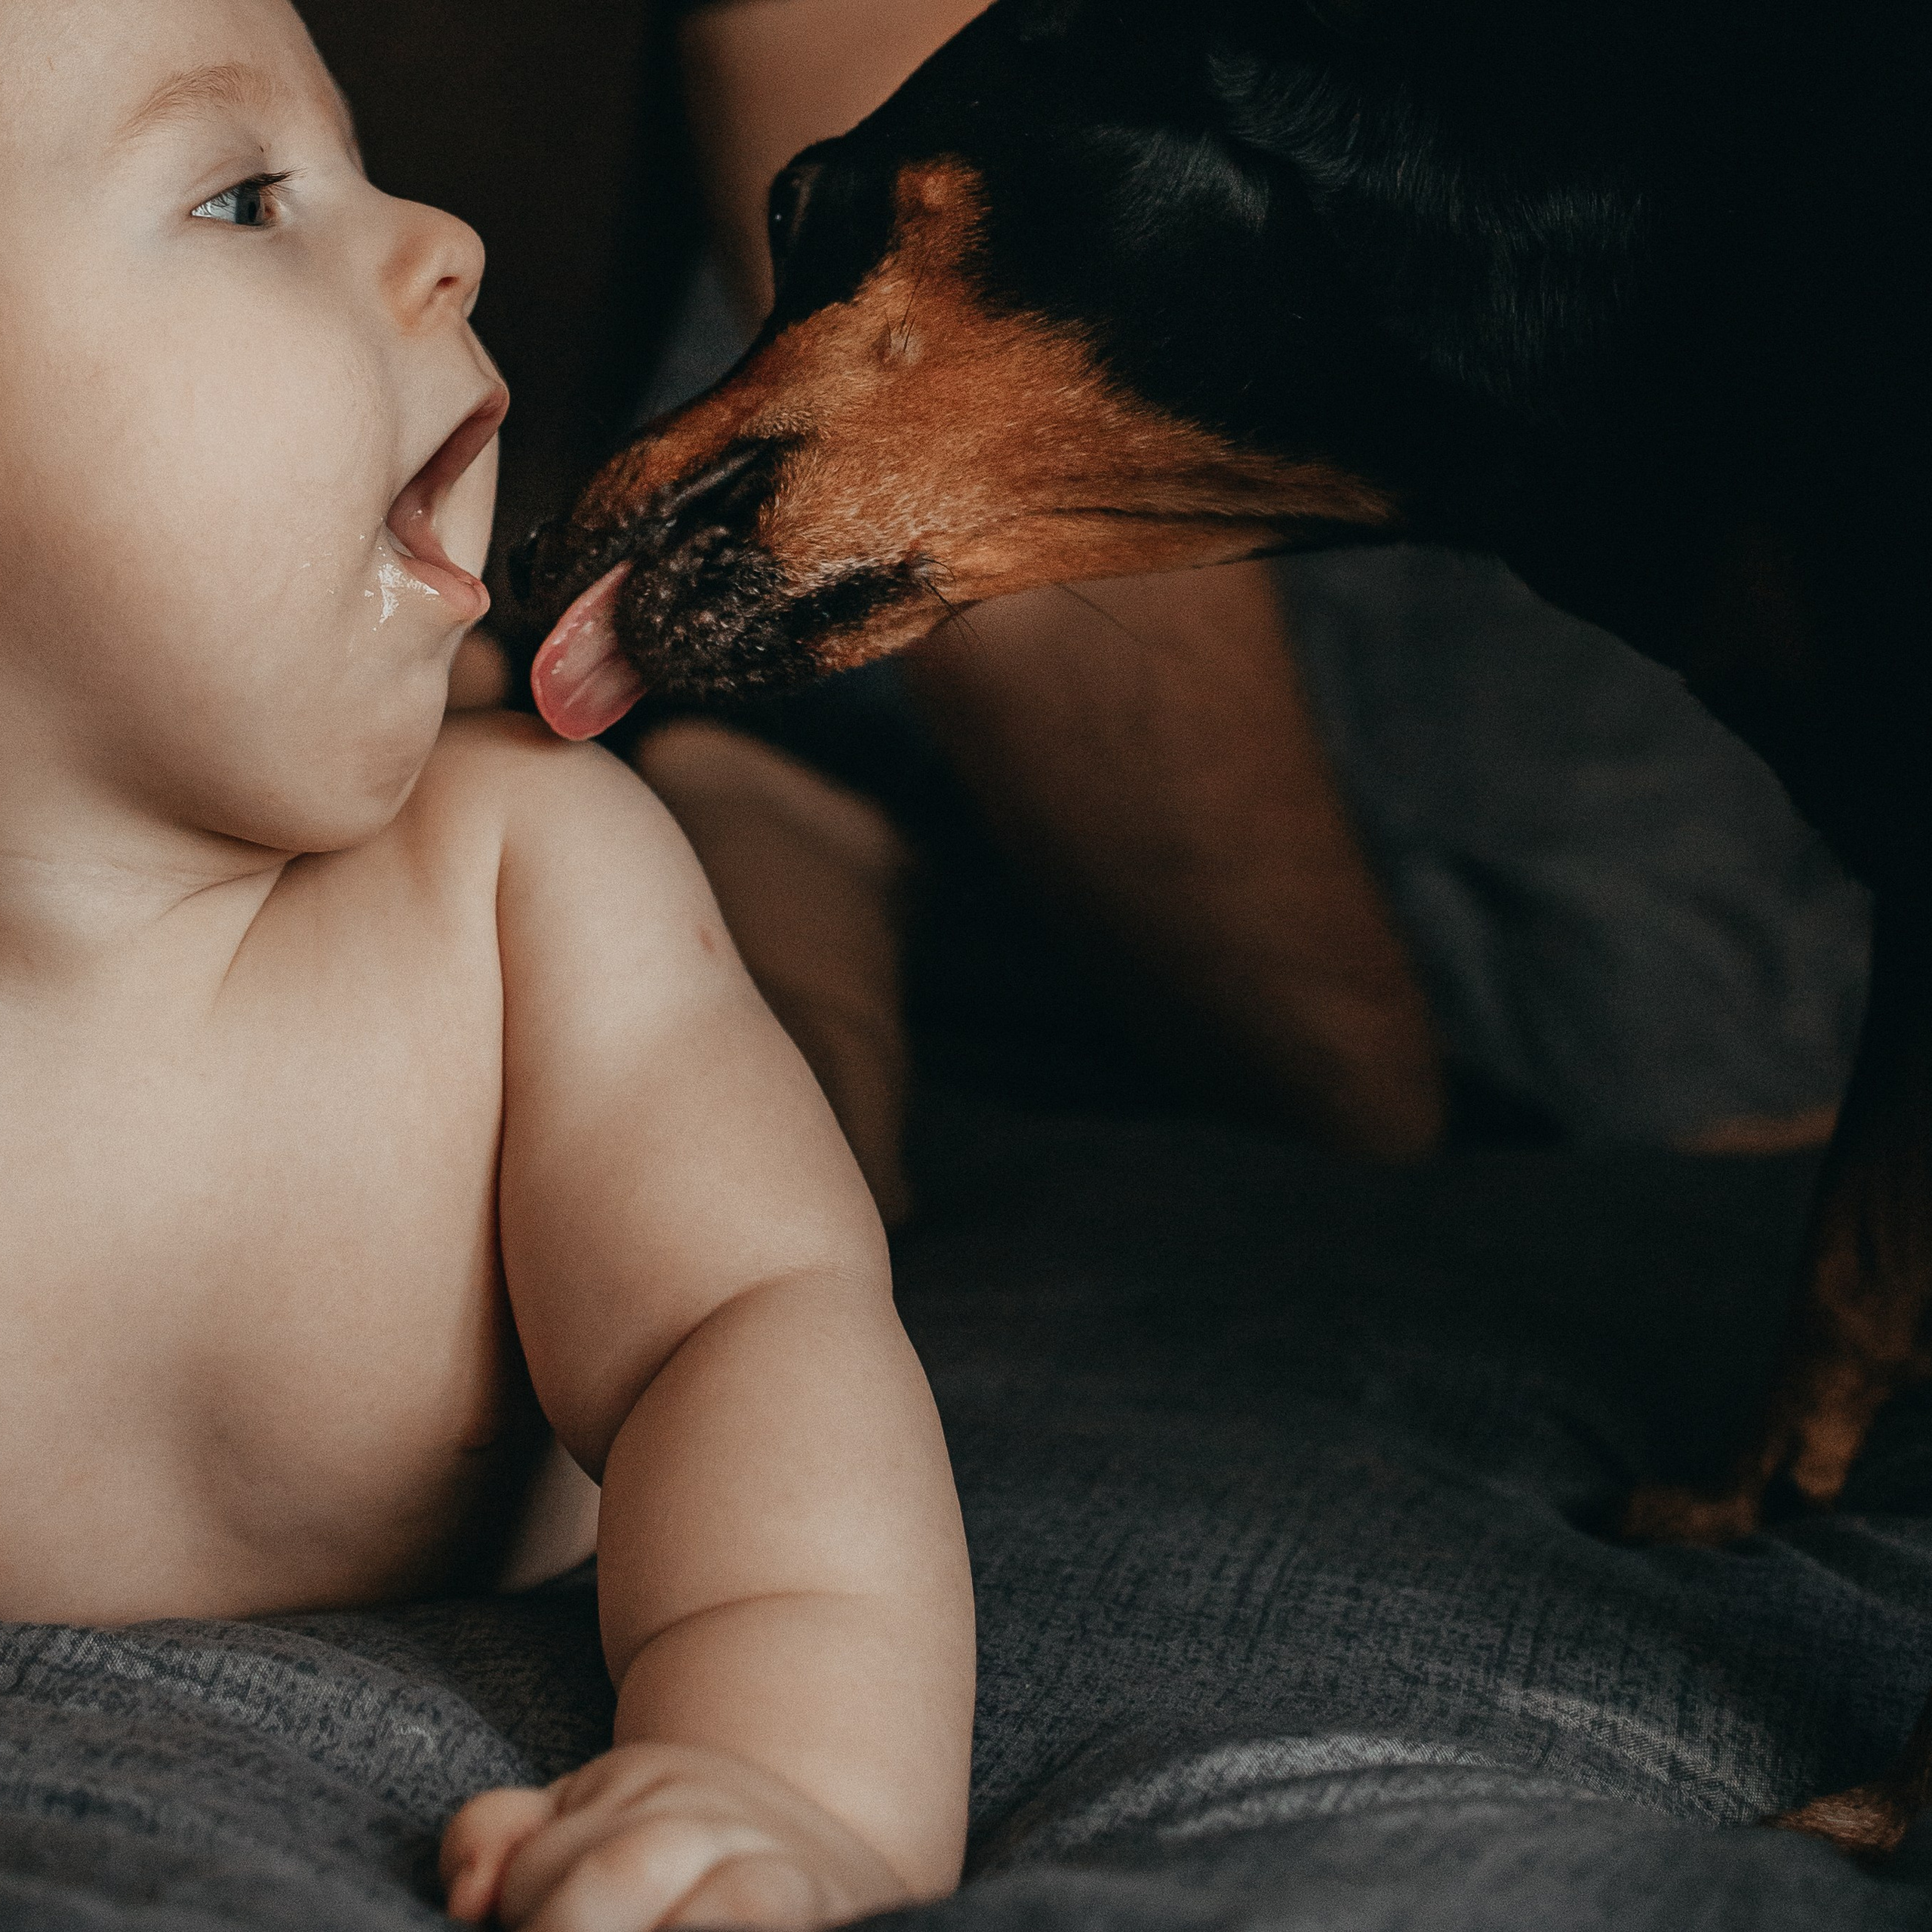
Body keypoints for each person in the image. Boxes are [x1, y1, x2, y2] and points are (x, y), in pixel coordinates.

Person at [0, 5, 973, 1929]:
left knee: (819, 1123)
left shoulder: (518, 881)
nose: (439, 233)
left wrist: (780, 1774)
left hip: (640, 1061)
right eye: (245, 195)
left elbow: (754, 1326)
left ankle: (787, 834)